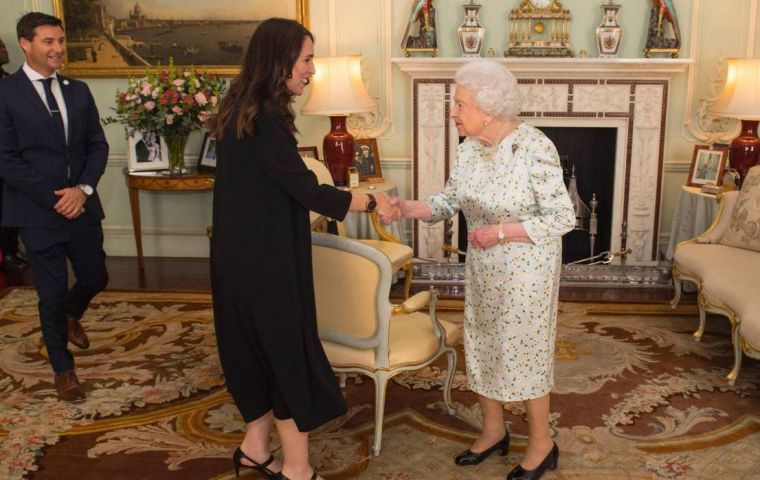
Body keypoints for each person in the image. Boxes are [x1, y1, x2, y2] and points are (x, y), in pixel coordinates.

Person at [208, 18, 397, 480]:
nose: (311, 71)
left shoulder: (238, 109)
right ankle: (297, 468)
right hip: (267, 264)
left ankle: (255, 448)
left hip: (236, 259)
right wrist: (371, 199)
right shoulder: (267, 120)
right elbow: (307, 192)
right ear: (280, 61)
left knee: (251, 352)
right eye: (307, 59)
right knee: (286, 358)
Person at [389, 60, 574, 480]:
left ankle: (542, 444)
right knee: (484, 342)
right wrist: (408, 208)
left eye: (460, 104)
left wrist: (503, 232)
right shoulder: (470, 146)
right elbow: (448, 200)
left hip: (527, 269)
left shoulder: (534, 147)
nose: (453, 111)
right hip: (485, 267)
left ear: (488, 109)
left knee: (523, 352)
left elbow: (562, 217)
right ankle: (494, 430)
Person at [0, 12, 109, 402]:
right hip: (36, 212)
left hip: (81, 206)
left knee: (96, 276)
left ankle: (71, 314)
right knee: (49, 293)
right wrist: (56, 197)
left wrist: (81, 189)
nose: (58, 49)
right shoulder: (5, 93)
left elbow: (98, 145)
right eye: (48, 41)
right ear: (25, 44)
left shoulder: (77, 90)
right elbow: (6, 159)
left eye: (60, 40)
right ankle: (64, 370)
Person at [0, 35, 28, 271]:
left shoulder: (11, 83)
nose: (3, 50)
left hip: (13, 157)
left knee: (10, 206)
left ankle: (11, 250)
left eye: (2, 45)